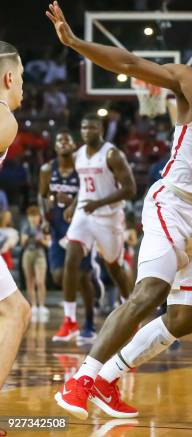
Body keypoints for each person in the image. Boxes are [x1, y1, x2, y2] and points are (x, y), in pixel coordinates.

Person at [47, 3, 192, 420]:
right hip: (171, 201)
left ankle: (108, 378)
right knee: (149, 291)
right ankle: (81, 378)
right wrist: (76, 42)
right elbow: (130, 62)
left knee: (184, 319)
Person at [50, 113, 136, 344]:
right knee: (71, 260)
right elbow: (85, 188)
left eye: (92, 127)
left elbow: (130, 189)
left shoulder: (112, 154)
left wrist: (97, 203)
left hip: (108, 217)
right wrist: (74, 204)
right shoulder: (78, 156)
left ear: (101, 129)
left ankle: (133, 313)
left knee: (114, 268)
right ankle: (70, 321)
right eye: (84, 127)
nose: (87, 131)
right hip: (84, 215)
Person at [39, 130, 98, 343]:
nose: (63, 143)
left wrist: (73, 205)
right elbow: (42, 194)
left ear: (74, 146)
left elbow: (89, 191)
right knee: (57, 275)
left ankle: (88, 324)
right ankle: (73, 320)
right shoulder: (47, 169)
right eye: (60, 140)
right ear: (55, 147)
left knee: (82, 276)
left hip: (80, 227)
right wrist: (44, 219)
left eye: (67, 140)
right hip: (57, 228)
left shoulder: (82, 168)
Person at [0, 40, 31, 388]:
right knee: (15, 311)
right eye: (22, 77)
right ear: (9, 78)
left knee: (15, 309)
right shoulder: (4, 117)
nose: (24, 84)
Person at [20, 206, 50, 322]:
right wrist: (27, 238)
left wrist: (41, 240)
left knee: (40, 281)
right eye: (31, 216)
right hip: (28, 254)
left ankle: (41, 305)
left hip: (40, 254)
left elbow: (48, 243)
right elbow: (22, 243)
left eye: (35, 216)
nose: (33, 218)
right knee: (30, 281)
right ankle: (33, 306)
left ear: (39, 217)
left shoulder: (43, 227)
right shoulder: (25, 227)